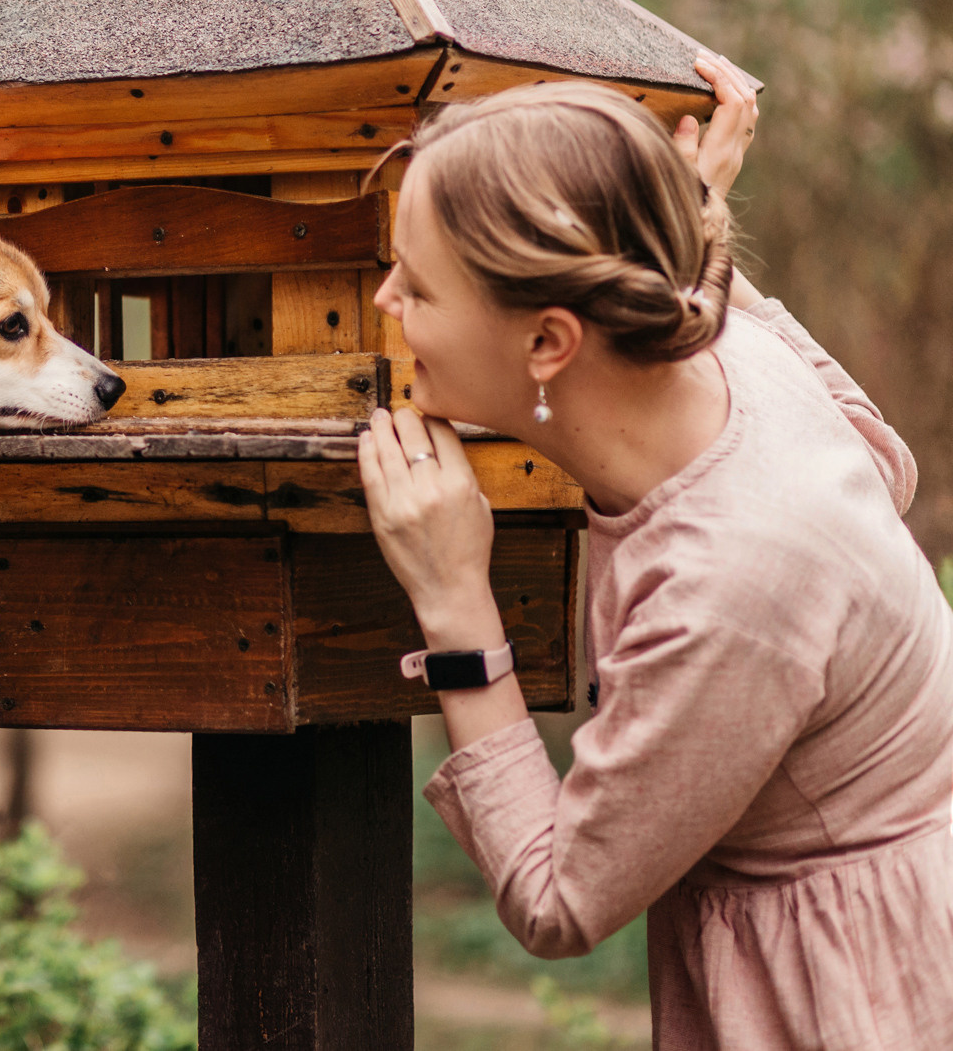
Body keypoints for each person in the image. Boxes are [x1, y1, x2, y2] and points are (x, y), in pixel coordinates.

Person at [357, 58, 953, 1049]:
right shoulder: (720, 351)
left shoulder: (731, 581)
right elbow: (878, 464)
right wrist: (680, 219)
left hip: (853, 992)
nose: (381, 301)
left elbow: (558, 900)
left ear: (548, 342)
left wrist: (454, 598)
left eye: (414, 285)